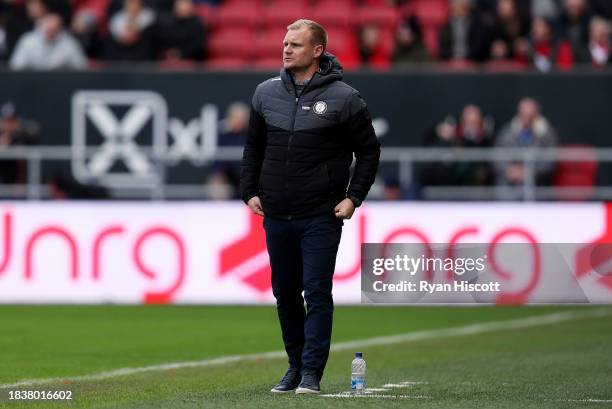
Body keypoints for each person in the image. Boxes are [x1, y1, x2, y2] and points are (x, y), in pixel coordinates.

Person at [240, 19, 380, 394]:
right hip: (276, 213)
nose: (286, 49)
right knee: (284, 294)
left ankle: (311, 374)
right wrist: (248, 189)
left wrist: (354, 197)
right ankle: (294, 365)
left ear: (317, 51)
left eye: (296, 45)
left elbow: (368, 151)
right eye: (285, 43)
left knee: (316, 292)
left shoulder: (345, 98)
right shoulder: (265, 93)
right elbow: (253, 146)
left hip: (320, 214)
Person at [495, 98, 557, 198]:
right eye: (524, 115)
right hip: (510, 183)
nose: (527, 119)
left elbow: (549, 162)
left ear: (537, 115)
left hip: (538, 183)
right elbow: (497, 157)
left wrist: (529, 172)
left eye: (530, 116)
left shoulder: (547, 134)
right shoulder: (507, 132)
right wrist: (509, 170)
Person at [9, 13, 87, 69]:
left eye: (54, 30)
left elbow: (81, 66)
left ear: (60, 29)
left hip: (61, 83)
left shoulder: (70, 43)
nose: (50, 32)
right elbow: (16, 66)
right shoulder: (27, 41)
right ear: (41, 27)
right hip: (31, 84)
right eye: (48, 29)